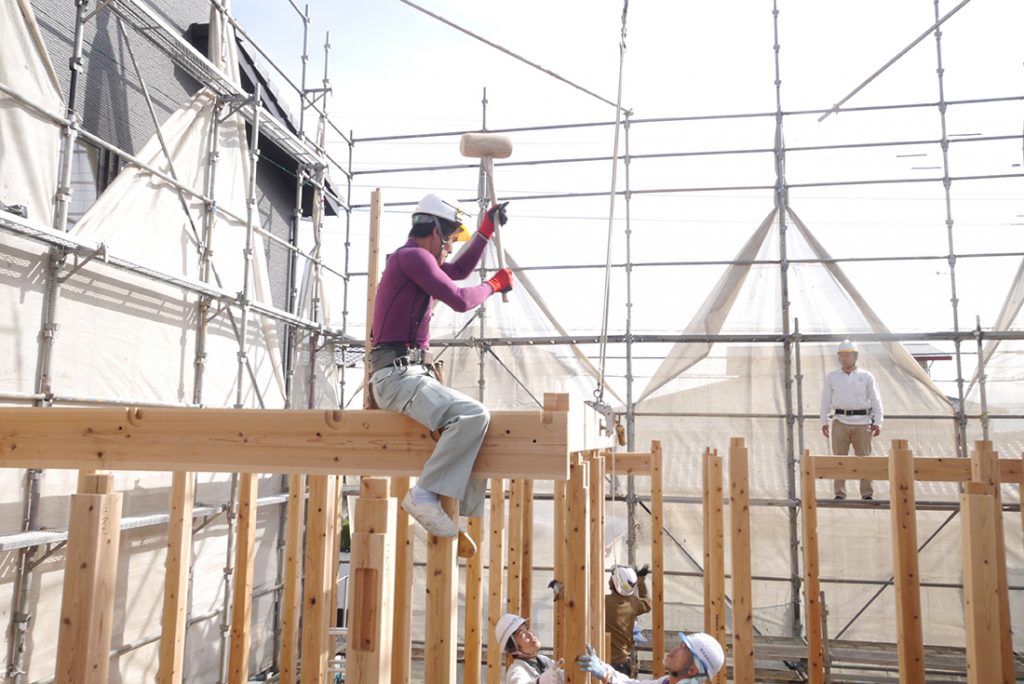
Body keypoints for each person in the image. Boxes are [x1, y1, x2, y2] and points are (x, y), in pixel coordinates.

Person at [368, 194, 512, 537]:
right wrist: (493, 285)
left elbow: (459, 272)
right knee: (473, 415)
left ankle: (453, 506)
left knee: (475, 425)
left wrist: (484, 233)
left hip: (407, 374)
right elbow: (460, 299)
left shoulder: (417, 262)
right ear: (434, 230)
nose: (449, 249)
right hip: (396, 376)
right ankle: (424, 494)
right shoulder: (412, 257)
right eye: (449, 240)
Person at [820, 339, 884, 500]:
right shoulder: (832, 377)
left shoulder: (866, 376)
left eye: (848, 355)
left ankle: (867, 494)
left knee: (864, 459)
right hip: (840, 421)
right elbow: (825, 400)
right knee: (839, 459)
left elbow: (875, 399)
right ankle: (839, 493)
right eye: (842, 355)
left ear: (855, 356)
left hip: (863, 422)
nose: (844, 359)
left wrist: (878, 422)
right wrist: (824, 421)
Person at [576, 632, 724, 683]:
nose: (674, 650)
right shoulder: (666, 681)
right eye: (680, 645)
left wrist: (605, 676)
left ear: (692, 670)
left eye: (684, 649)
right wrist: (603, 667)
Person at [606, 565, 652, 675]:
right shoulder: (633, 603)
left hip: (604, 661)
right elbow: (647, 604)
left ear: (613, 583)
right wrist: (641, 581)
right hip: (624, 662)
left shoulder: (602, 603)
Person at [495, 613, 564, 684]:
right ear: (513, 647)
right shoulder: (516, 671)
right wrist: (539, 682)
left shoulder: (544, 660)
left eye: (527, 628)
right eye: (522, 634)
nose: (530, 634)